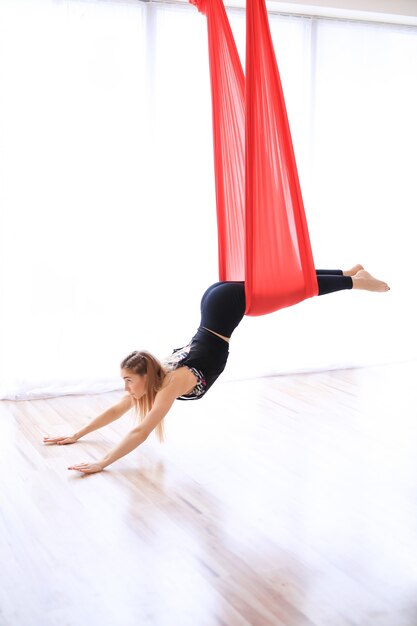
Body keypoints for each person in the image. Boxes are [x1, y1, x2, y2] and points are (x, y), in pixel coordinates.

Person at [43, 265, 389, 474]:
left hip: (223, 306)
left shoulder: (172, 382)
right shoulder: (159, 375)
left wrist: (103, 462)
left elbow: (140, 431)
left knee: (292, 289)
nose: (125, 390)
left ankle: (356, 282)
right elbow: (117, 409)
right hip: (215, 302)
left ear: (146, 377)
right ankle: (347, 274)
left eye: (128, 381)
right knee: (287, 285)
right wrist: (78, 434)